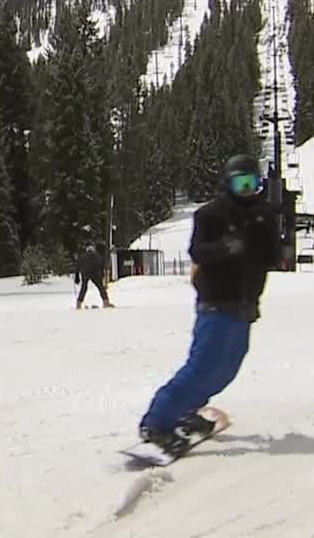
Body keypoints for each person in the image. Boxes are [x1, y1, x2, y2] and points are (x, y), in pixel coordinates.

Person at [138, 154, 280, 455]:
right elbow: (198, 252)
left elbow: (270, 257)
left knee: (227, 369)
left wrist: (276, 245)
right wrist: (226, 247)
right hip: (216, 301)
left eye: (251, 183)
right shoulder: (212, 214)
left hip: (245, 304)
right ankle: (157, 421)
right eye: (240, 183)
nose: (246, 190)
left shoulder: (264, 215)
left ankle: (186, 409)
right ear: (228, 183)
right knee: (201, 366)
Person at [74, 243, 113, 309]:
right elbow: (101, 264)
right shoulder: (96, 255)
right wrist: (102, 275)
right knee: (101, 287)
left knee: (84, 288)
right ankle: (106, 302)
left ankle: (78, 304)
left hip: (85, 273)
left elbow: (78, 265)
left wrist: (77, 276)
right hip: (95, 273)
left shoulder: (82, 256)